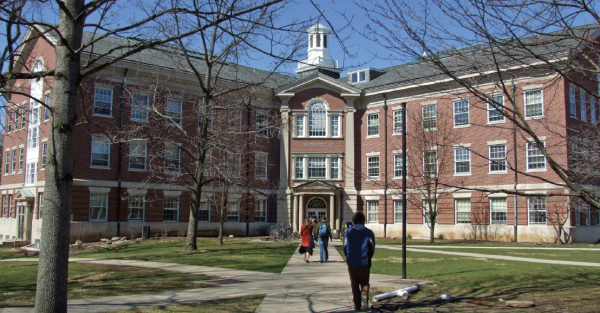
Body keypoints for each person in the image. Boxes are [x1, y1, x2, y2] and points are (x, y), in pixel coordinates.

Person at [343, 212, 376, 311]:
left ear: (353, 220)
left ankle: (357, 305)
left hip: (352, 261)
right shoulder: (369, 232)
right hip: (364, 261)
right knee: (364, 282)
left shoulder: (348, 232)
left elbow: (345, 247)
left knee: (354, 283)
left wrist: (348, 256)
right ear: (363, 220)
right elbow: (372, 247)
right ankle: (364, 296)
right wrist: (369, 256)